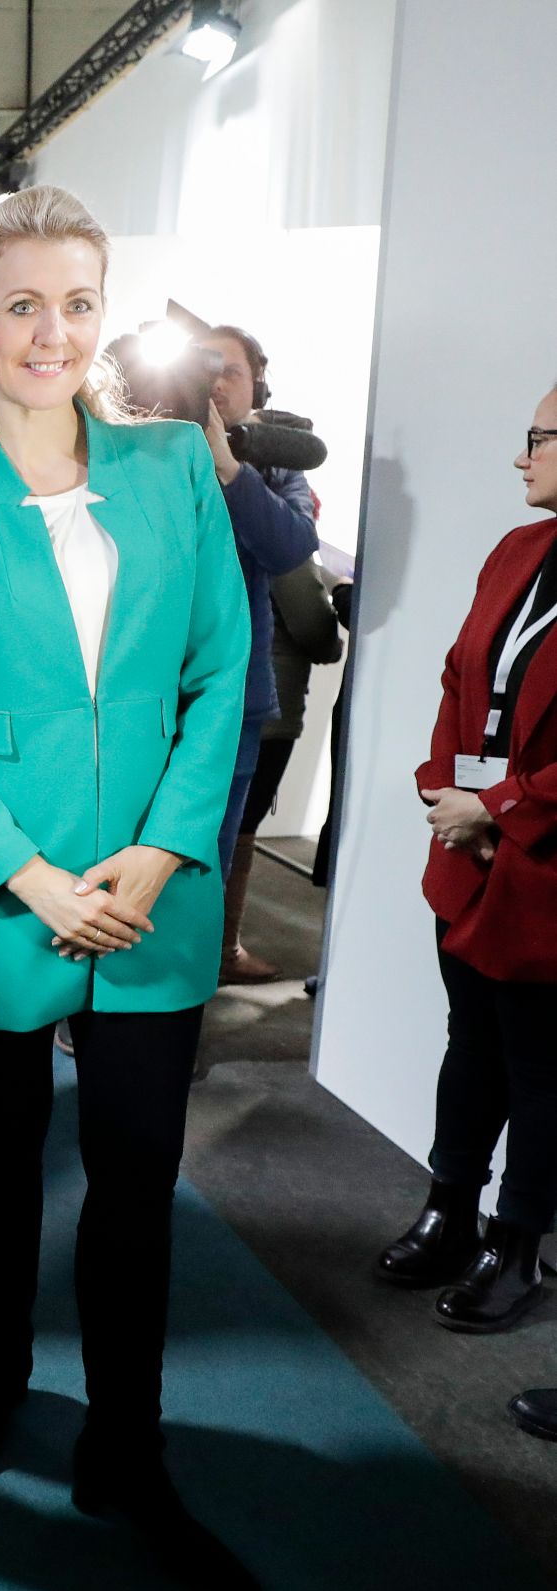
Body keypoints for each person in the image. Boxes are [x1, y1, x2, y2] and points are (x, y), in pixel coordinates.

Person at [0, 187, 258, 1591]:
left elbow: (222, 675)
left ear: (105, 318)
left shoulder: (168, 471)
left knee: (138, 1175)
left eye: (77, 303)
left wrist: (155, 854)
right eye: (21, 303)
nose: (51, 330)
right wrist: (31, 877)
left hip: (151, 887)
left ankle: (127, 1440)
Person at [377, 386, 557, 1342]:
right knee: (470, 1038)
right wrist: (446, 792)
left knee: (539, 1066)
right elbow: (460, 679)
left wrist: (500, 809)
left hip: (543, 866)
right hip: (471, 854)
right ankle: (449, 1208)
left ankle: (517, 1243)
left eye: (538, 438)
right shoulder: (517, 551)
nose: (521, 456)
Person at [202, 326, 318, 879]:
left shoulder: (274, 466)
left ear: (258, 388)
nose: (217, 382)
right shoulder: (138, 452)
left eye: (232, 371)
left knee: (210, 867)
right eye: (204, 367)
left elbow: (291, 545)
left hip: (234, 700)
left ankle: (206, 963)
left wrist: (229, 467)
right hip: (142, 694)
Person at [221, 552, 344, 982]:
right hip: (264, 710)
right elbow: (315, 630)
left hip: (209, 701)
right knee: (239, 831)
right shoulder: (275, 530)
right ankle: (222, 952)